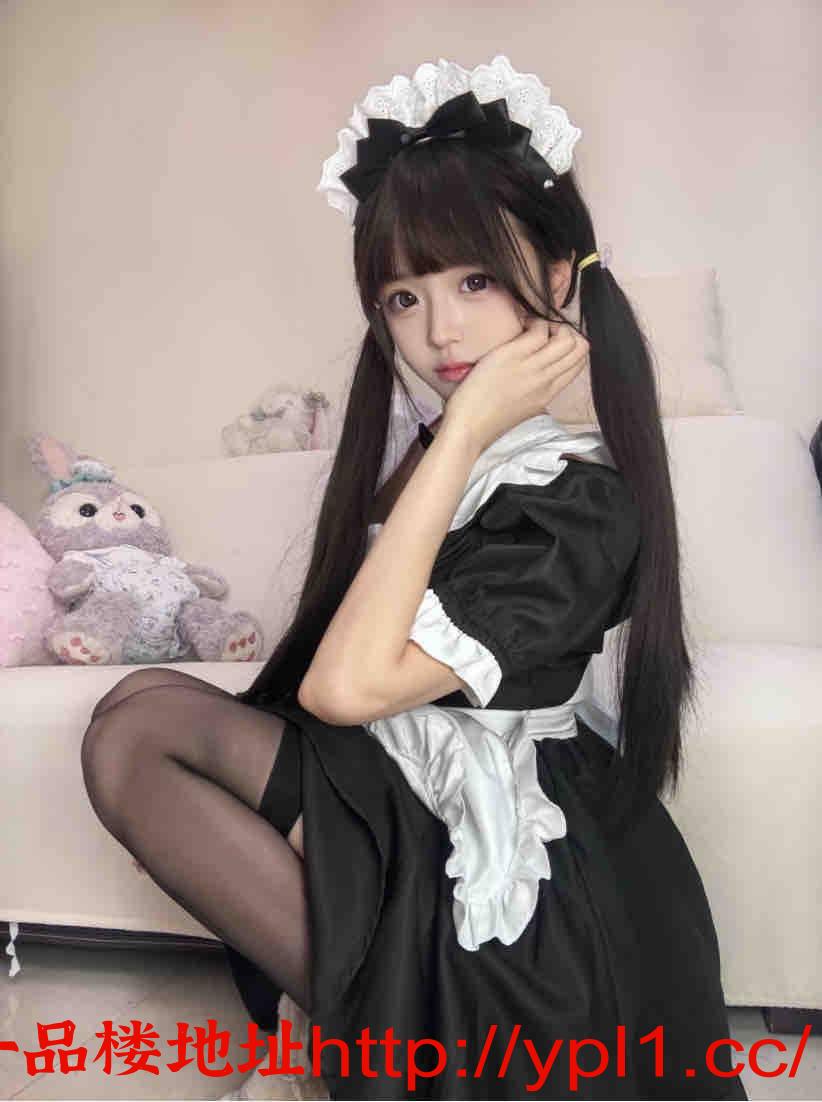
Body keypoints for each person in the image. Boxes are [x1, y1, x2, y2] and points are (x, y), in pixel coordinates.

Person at [80, 55, 747, 1100]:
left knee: (138, 736)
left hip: (516, 861)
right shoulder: (453, 465)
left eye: (475, 281)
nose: (439, 331)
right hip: (409, 779)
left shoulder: (578, 507)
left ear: (558, 277)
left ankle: (392, 1030)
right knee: (138, 704)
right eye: (404, 296)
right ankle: (367, 1013)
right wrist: (456, 442)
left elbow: (342, 689)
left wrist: (467, 426)